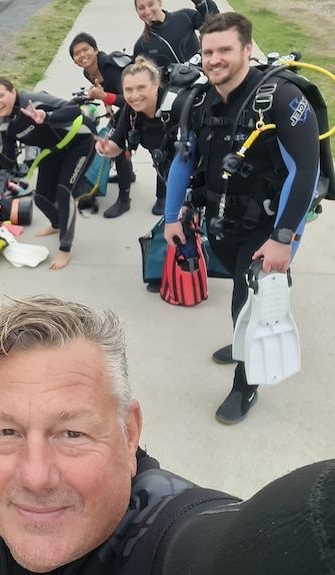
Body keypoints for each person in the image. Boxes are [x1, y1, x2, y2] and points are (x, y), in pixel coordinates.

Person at [0, 295, 335, 574]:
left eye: (72, 433)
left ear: (129, 431)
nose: (34, 477)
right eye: (6, 431)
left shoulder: (164, 536)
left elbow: (258, 541)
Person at [163, 12, 319, 424]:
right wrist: (171, 216)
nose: (214, 59)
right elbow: (183, 159)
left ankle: (245, 385)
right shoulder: (198, 100)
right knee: (238, 295)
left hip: (270, 226)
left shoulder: (282, 99)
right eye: (207, 51)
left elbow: (307, 170)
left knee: (248, 301)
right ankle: (241, 340)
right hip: (224, 220)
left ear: (248, 49)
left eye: (225, 50)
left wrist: (284, 237)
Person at [0, 77, 97, 270]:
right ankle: (57, 223)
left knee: (64, 193)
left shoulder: (32, 101)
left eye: (1, 95)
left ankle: (65, 249)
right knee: (41, 197)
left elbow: (73, 109)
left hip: (81, 139)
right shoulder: (5, 126)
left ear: (13, 93)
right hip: (55, 149)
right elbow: (9, 165)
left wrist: (47, 116)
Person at [69, 32, 139, 218]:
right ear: (74, 61)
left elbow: (130, 99)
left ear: (96, 50)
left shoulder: (110, 67)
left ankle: (124, 200)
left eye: (86, 49)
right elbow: (104, 89)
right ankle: (129, 176)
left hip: (140, 106)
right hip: (125, 108)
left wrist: (105, 98)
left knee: (117, 145)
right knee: (112, 136)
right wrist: (107, 106)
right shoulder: (88, 71)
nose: (83, 55)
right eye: (77, 53)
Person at [95, 55, 173, 220]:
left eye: (141, 88)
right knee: (159, 158)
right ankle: (125, 198)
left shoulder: (176, 106)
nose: (135, 96)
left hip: (183, 162)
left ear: (156, 85)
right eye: (128, 90)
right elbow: (116, 143)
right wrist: (106, 149)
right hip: (161, 156)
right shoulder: (131, 111)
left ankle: (163, 196)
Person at [133, 0, 219, 71]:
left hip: (205, 80)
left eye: (151, 4)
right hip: (177, 90)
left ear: (159, 2)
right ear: (137, 11)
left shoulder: (184, 16)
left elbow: (216, 24)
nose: (147, 11)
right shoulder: (141, 46)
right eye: (141, 8)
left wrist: (201, 2)